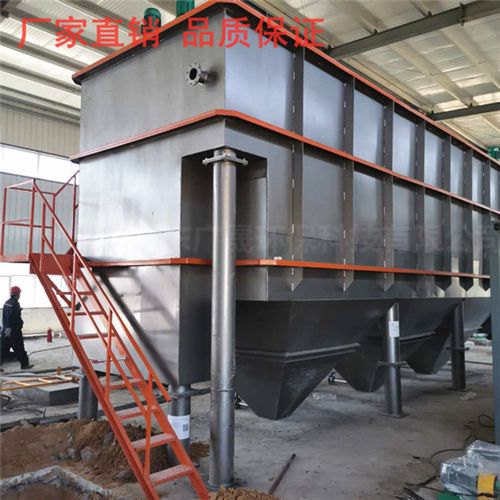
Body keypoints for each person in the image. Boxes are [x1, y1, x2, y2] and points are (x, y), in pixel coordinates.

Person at [1, 286, 33, 370]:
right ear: (17, 294)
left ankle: (24, 364)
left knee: (3, 349)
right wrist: (10, 328)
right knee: (20, 348)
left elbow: (6, 316)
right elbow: (11, 317)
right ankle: (25, 365)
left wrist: (7, 328)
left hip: (6, 330)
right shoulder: (15, 304)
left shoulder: (7, 302)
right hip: (14, 331)